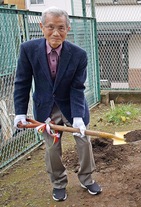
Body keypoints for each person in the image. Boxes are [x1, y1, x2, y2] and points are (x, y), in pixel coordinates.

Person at [13, 7, 102, 202]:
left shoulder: (78, 54)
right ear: (42, 27)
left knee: (84, 142)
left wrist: (78, 117)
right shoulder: (29, 50)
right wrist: (20, 112)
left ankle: (86, 178)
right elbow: (22, 81)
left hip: (72, 106)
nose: (55, 33)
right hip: (45, 108)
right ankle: (58, 183)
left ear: (68, 29)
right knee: (52, 148)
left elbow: (77, 87)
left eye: (61, 27)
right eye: (50, 27)